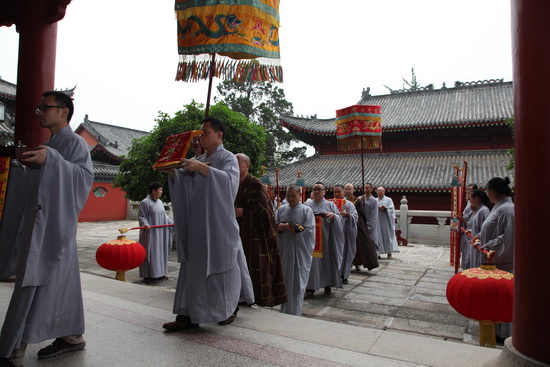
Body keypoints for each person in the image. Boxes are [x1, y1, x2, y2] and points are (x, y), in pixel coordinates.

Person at [0, 91, 94, 366]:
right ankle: (73, 335)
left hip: (54, 227)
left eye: (46, 107)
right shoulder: (52, 143)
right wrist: (25, 169)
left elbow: (83, 178)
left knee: (33, 280)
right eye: (39, 108)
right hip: (43, 224)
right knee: (60, 284)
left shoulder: (75, 142)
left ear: (64, 111)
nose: (40, 112)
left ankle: (15, 347)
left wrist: (51, 162)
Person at [161, 117, 254, 331]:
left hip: (218, 225)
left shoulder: (228, 158)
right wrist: (174, 173)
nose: (201, 136)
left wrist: (203, 169)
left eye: (206, 132)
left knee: (222, 268)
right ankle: (187, 316)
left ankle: (228, 310)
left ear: (219, 135)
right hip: (197, 224)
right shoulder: (200, 158)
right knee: (192, 269)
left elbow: (230, 183)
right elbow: (185, 184)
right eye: (201, 132)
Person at [234, 153, 287, 307]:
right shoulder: (233, 183)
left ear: (247, 166)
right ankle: (238, 296)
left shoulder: (255, 184)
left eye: (238, 162)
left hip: (255, 234)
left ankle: (254, 297)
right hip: (237, 231)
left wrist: (244, 212)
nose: (235, 166)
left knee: (256, 266)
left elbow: (265, 212)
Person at [476, 177, 514, 341]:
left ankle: (503, 332)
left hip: (501, 260)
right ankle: (495, 329)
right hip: (492, 258)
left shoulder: (507, 210)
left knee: (502, 297)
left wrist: (488, 246)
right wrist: (479, 238)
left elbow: (508, 237)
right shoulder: (499, 208)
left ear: (491, 191)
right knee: (493, 297)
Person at [275, 184, 315, 315]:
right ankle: (284, 310)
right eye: (288, 195)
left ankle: (296, 311)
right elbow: (272, 226)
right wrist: (279, 227)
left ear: (299, 195)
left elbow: (309, 230)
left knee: (298, 283)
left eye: (293, 196)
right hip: (285, 250)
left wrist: (293, 227)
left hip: (300, 252)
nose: (291, 198)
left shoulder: (306, 210)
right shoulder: (281, 210)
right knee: (285, 281)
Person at [304, 182, 344, 297]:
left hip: (325, 240)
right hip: (311, 239)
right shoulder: (307, 204)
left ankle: (327, 284)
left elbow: (339, 219)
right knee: (311, 264)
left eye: (319, 189)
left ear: (324, 192)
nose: (317, 191)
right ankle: (310, 288)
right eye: (315, 189)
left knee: (326, 262)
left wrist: (333, 216)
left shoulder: (330, 205)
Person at [138, 182, 174, 283]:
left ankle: (160, 273)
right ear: (153, 191)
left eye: (161, 190)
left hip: (160, 233)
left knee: (160, 252)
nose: (161, 192)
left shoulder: (160, 202)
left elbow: (164, 217)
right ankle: (149, 275)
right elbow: (141, 216)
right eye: (160, 190)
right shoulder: (145, 202)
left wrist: (171, 223)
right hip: (151, 233)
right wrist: (145, 224)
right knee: (151, 252)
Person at [333, 185, 358, 284]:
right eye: (335, 192)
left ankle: (344, 275)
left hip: (346, 232)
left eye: (339, 192)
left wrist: (348, 215)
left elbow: (355, 217)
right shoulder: (331, 203)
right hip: (335, 233)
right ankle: (334, 274)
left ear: (343, 192)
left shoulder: (349, 204)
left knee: (347, 253)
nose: (337, 194)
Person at [353, 183, 380, 271]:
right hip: (360, 224)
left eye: (368, 188)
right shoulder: (359, 199)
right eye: (365, 188)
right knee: (358, 245)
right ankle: (356, 263)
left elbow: (374, 215)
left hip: (369, 225)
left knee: (368, 244)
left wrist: (368, 226)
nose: (366, 189)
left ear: (371, 189)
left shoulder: (374, 201)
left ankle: (371, 261)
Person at [465, 189, 491, 268]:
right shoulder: (477, 211)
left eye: (470, 198)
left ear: (477, 198)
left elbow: (487, 228)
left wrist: (479, 236)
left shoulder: (484, 210)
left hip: (480, 244)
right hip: (475, 243)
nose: (469, 201)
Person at [376, 187, 399, 259]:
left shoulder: (388, 200)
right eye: (378, 191)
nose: (379, 192)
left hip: (386, 221)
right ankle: (378, 253)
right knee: (378, 237)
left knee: (387, 236)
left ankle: (389, 253)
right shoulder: (375, 200)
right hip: (378, 221)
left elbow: (392, 210)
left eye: (380, 191)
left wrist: (385, 209)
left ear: (384, 192)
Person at [460, 184, 478, 269]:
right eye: (467, 190)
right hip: (467, 231)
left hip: (472, 233)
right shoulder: (468, 203)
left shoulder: (481, 210)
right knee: (466, 253)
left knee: (470, 255)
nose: (467, 192)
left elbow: (471, 219)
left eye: (470, 190)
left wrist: (464, 221)